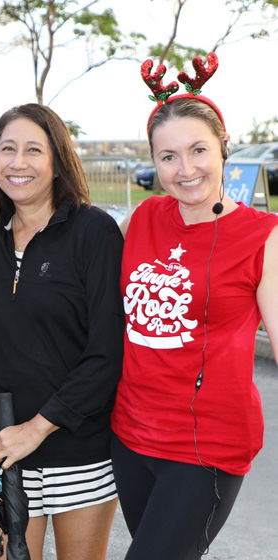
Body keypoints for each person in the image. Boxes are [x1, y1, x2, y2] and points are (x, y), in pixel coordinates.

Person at [112, 54, 278, 560]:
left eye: (198, 150)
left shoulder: (263, 237)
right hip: (131, 437)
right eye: (167, 157)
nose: (185, 170)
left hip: (207, 447)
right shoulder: (141, 219)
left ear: (224, 148)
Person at [0, 103, 124, 560]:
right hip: (0, 449)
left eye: (33, 150)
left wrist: (38, 428)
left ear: (57, 161)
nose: (18, 163)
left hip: (78, 447)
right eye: (7, 149)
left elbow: (107, 351)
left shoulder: (93, 231)